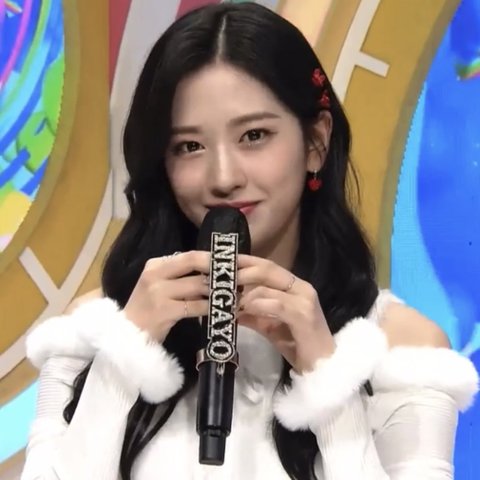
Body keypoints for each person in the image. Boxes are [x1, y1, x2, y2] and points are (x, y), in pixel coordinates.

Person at [21, 3, 479, 480]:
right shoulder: (95, 329)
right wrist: (121, 360)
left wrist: (330, 382)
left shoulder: (403, 348)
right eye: (190, 146)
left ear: (316, 143)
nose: (223, 177)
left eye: (254, 135)